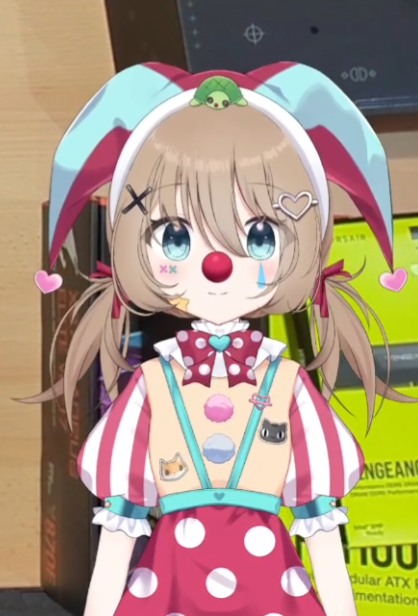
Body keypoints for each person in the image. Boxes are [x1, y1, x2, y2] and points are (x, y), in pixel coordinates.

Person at [25, 61, 411, 616]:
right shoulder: (153, 385)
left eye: (258, 236)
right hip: (169, 588)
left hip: (271, 590)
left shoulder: (287, 385)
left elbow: (323, 533)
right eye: (176, 237)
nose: (216, 264)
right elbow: (117, 535)